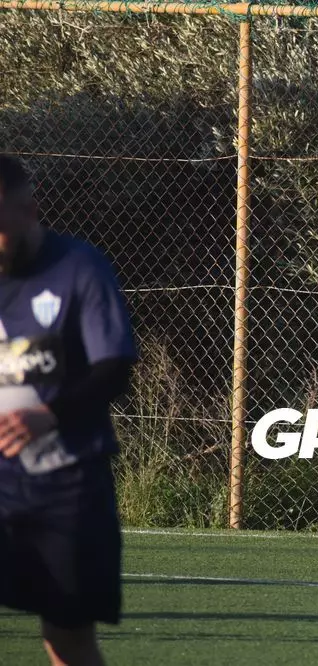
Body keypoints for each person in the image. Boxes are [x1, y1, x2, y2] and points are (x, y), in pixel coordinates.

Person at [0, 154, 137, 666]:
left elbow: (114, 369)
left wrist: (48, 413)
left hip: (66, 485)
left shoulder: (79, 268)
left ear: (28, 210)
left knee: (66, 638)